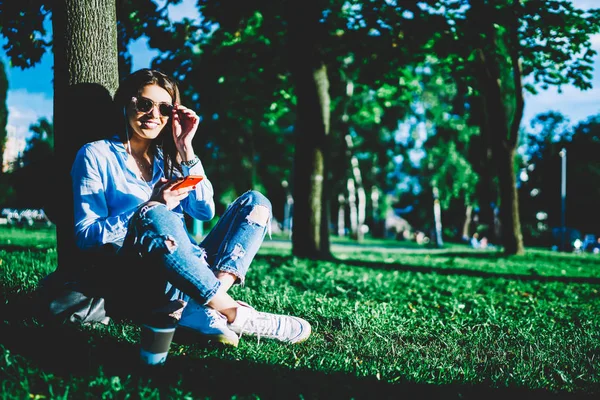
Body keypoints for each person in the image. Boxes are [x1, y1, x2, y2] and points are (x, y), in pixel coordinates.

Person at [70, 68, 311, 347]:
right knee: (154, 214)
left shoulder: (168, 160)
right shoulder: (95, 154)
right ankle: (232, 311)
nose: (153, 114)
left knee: (256, 203)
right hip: (139, 274)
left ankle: (200, 308)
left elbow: (204, 210)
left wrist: (186, 147)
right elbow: (84, 236)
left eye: (164, 108)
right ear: (126, 102)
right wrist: (152, 206)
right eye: (144, 103)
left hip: (189, 267)